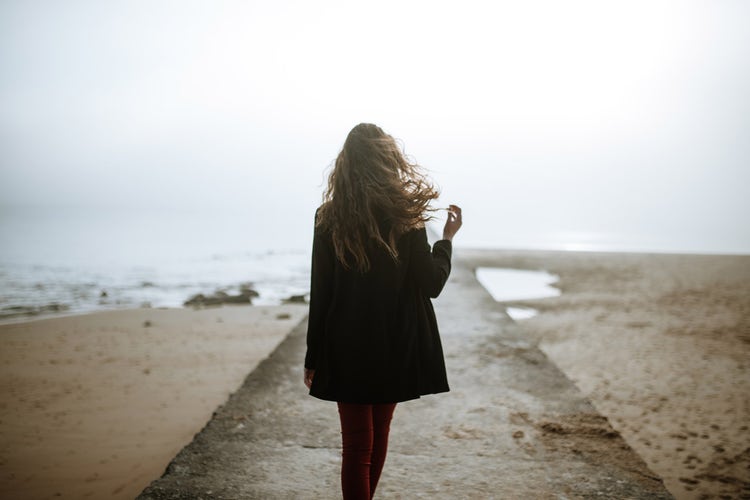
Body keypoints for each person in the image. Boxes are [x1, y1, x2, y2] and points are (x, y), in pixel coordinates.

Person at [303, 123, 462, 499]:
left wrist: (314, 355)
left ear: (347, 165)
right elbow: (431, 284)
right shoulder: (406, 216)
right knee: (377, 438)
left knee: (357, 446)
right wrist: (447, 242)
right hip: (395, 342)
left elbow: (320, 292)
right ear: (388, 161)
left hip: (346, 344)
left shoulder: (327, 217)